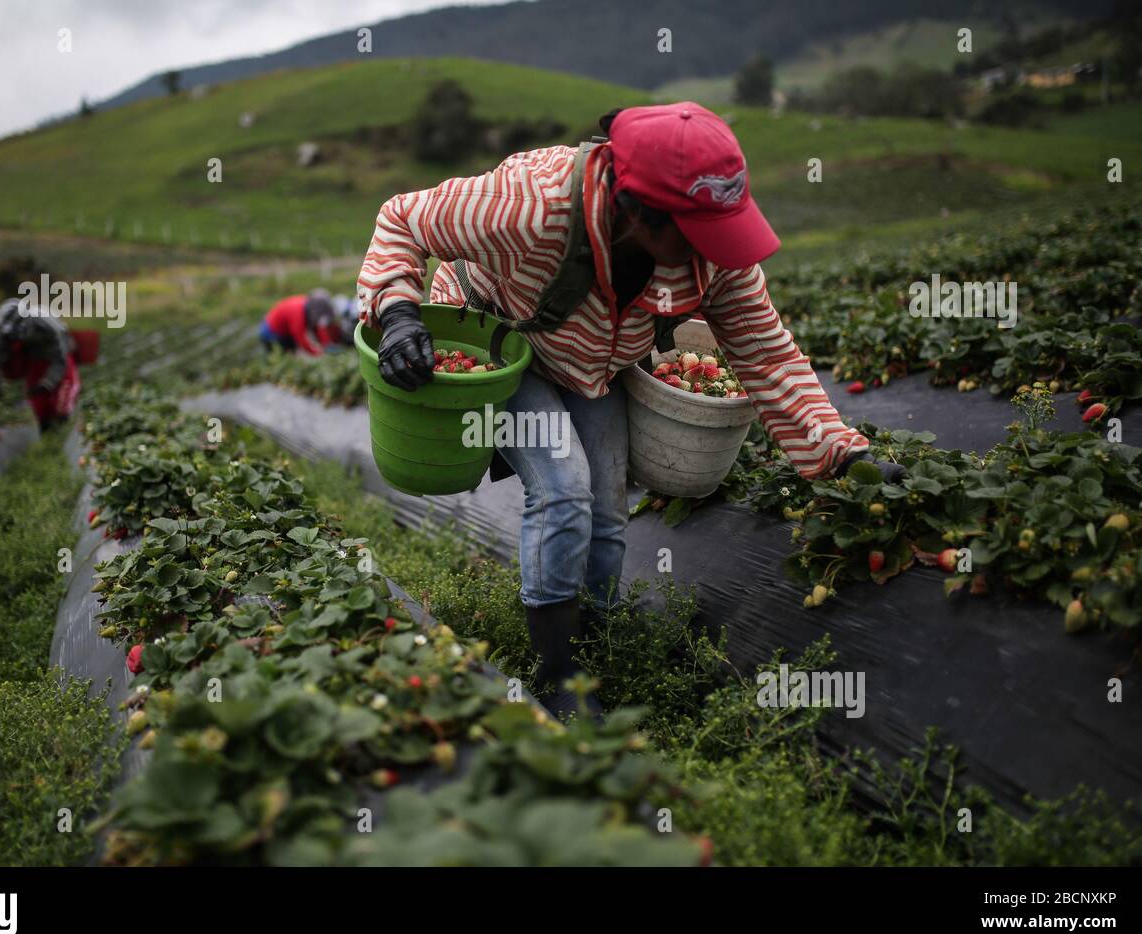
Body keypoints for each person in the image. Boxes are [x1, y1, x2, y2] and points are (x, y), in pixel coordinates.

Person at [357, 102, 905, 719]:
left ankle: (595, 634)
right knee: (564, 488)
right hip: (503, 339)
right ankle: (559, 674)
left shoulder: (715, 260)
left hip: (592, 362)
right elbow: (401, 219)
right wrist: (398, 311)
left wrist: (840, 453)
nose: (718, 247)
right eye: (699, 228)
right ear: (637, 211)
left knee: (607, 505)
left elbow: (765, 350)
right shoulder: (527, 206)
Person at [0, 297, 80, 433]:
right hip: (35, 356)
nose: (11, 336)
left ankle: (63, 423)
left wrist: (47, 383)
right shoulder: (4, 331)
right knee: (37, 398)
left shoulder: (48, 326)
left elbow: (60, 361)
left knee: (64, 392)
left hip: (57, 353)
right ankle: (45, 429)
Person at [258, 289, 336, 355]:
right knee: (280, 356)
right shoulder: (298, 313)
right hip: (271, 333)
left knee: (291, 353)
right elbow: (300, 338)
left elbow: (319, 326)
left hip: (286, 331)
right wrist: (318, 354)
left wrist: (327, 344)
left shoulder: (310, 306)